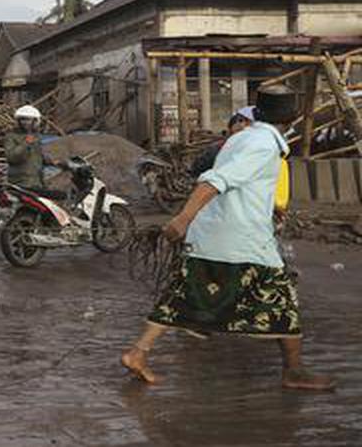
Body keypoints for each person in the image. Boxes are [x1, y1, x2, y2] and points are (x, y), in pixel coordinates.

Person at [120, 85, 334, 391]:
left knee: (184, 295)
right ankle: (294, 371)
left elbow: (232, 182)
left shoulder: (243, 137)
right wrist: (182, 217)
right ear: (291, 119)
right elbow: (215, 181)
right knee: (282, 300)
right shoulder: (262, 144)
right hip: (242, 239)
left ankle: (137, 352)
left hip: (214, 235)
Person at [189, 106, 254, 178]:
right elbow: (197, 170)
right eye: (241, 121)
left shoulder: (257, 152)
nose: (242, 125)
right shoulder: (217, 150)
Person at [5, 105, 47, 190]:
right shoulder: (11, 136)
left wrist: (54, 162)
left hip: (36, 182)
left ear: (34, 121)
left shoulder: (36, 137)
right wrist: (25, 143)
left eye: (28, 119)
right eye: (22, 119)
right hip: (20, 182)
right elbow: (11, 157)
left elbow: (36, 157)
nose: (25, 122)